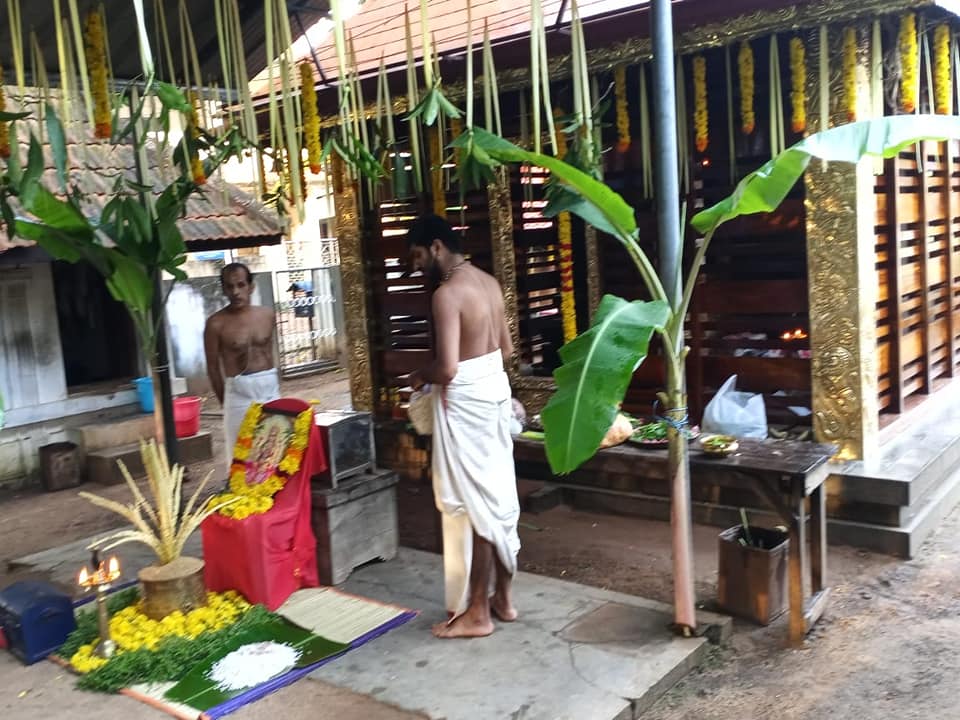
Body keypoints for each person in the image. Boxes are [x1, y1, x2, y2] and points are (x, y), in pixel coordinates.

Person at [406, 214, 521, 639]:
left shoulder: (447, 293)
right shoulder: (489, 284)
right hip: (494, 394)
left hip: (468, 404)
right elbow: (507, 350)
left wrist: (421, 375)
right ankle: (504, 601)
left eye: (418, 256)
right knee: (498, 499)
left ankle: (477, 613)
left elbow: (450, 368)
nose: (417, 267)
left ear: (436, 247)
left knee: (476, 509)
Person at [204, 263, 280, 471]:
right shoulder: (216, 324)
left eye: (240, 285)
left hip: (269, 389)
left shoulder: (267, 315)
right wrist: (226, 401)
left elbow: (270, 352)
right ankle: (243, 501)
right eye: (230, 287)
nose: (236, 292)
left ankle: (274, 499)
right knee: (241, 458)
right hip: (239, 394)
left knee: (274, 452)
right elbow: (212, 368)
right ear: (224, 289)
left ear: (251, 286)